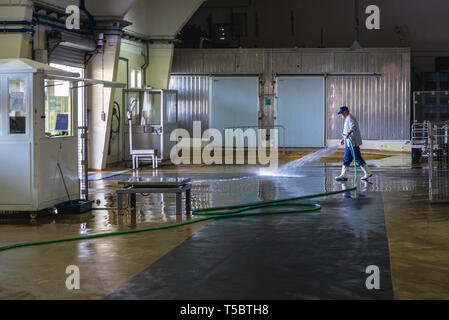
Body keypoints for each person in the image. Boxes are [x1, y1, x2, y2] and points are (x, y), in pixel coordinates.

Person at [335, 106, 372, 181]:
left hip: (353, 143)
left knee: (357, 158)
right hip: (348, 143)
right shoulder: (347, 118)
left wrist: (348, 134)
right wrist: (343, 139)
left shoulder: (350, 118)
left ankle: (367, 172)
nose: (341, 115)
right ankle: (344, 175)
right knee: (346, 159)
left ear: (345, 112)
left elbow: (354, 127)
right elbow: (346, 131)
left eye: (342, 113)